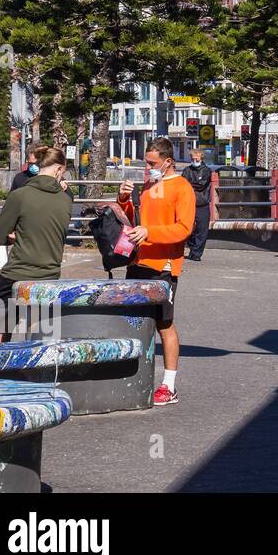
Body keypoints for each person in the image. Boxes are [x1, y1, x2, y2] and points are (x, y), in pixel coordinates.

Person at [118, 137, 196, 406]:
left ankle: (169, 385)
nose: (147, 167)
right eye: (145, 162)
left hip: (163, 265)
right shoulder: (150, 184)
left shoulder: (183, 188)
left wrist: (150, 233)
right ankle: (135, 379)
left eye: (152, 163)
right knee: (134, 322)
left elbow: (184, 229)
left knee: (164, 324)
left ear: (168, 163)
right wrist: (124, 199)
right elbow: (137, 220)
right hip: (138, 261)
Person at [0, 146, 72, 344]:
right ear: (59, 170)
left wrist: (14, 236)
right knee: (11, 322)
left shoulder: (20, 195)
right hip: (50, 274)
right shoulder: (65, 199)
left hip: (17, 271)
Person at [181, 147, 213, 262]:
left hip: (202, 202)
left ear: (201, 158)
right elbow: (182, 184)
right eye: (192, 158)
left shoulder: (206, 170)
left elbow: (202, 184)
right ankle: (192, 247)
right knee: (187, 228)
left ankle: (196, 253)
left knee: (202, 229)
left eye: (196, 158)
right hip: (188, 203)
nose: (194, 160)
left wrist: (189, 186)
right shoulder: (186, 170)